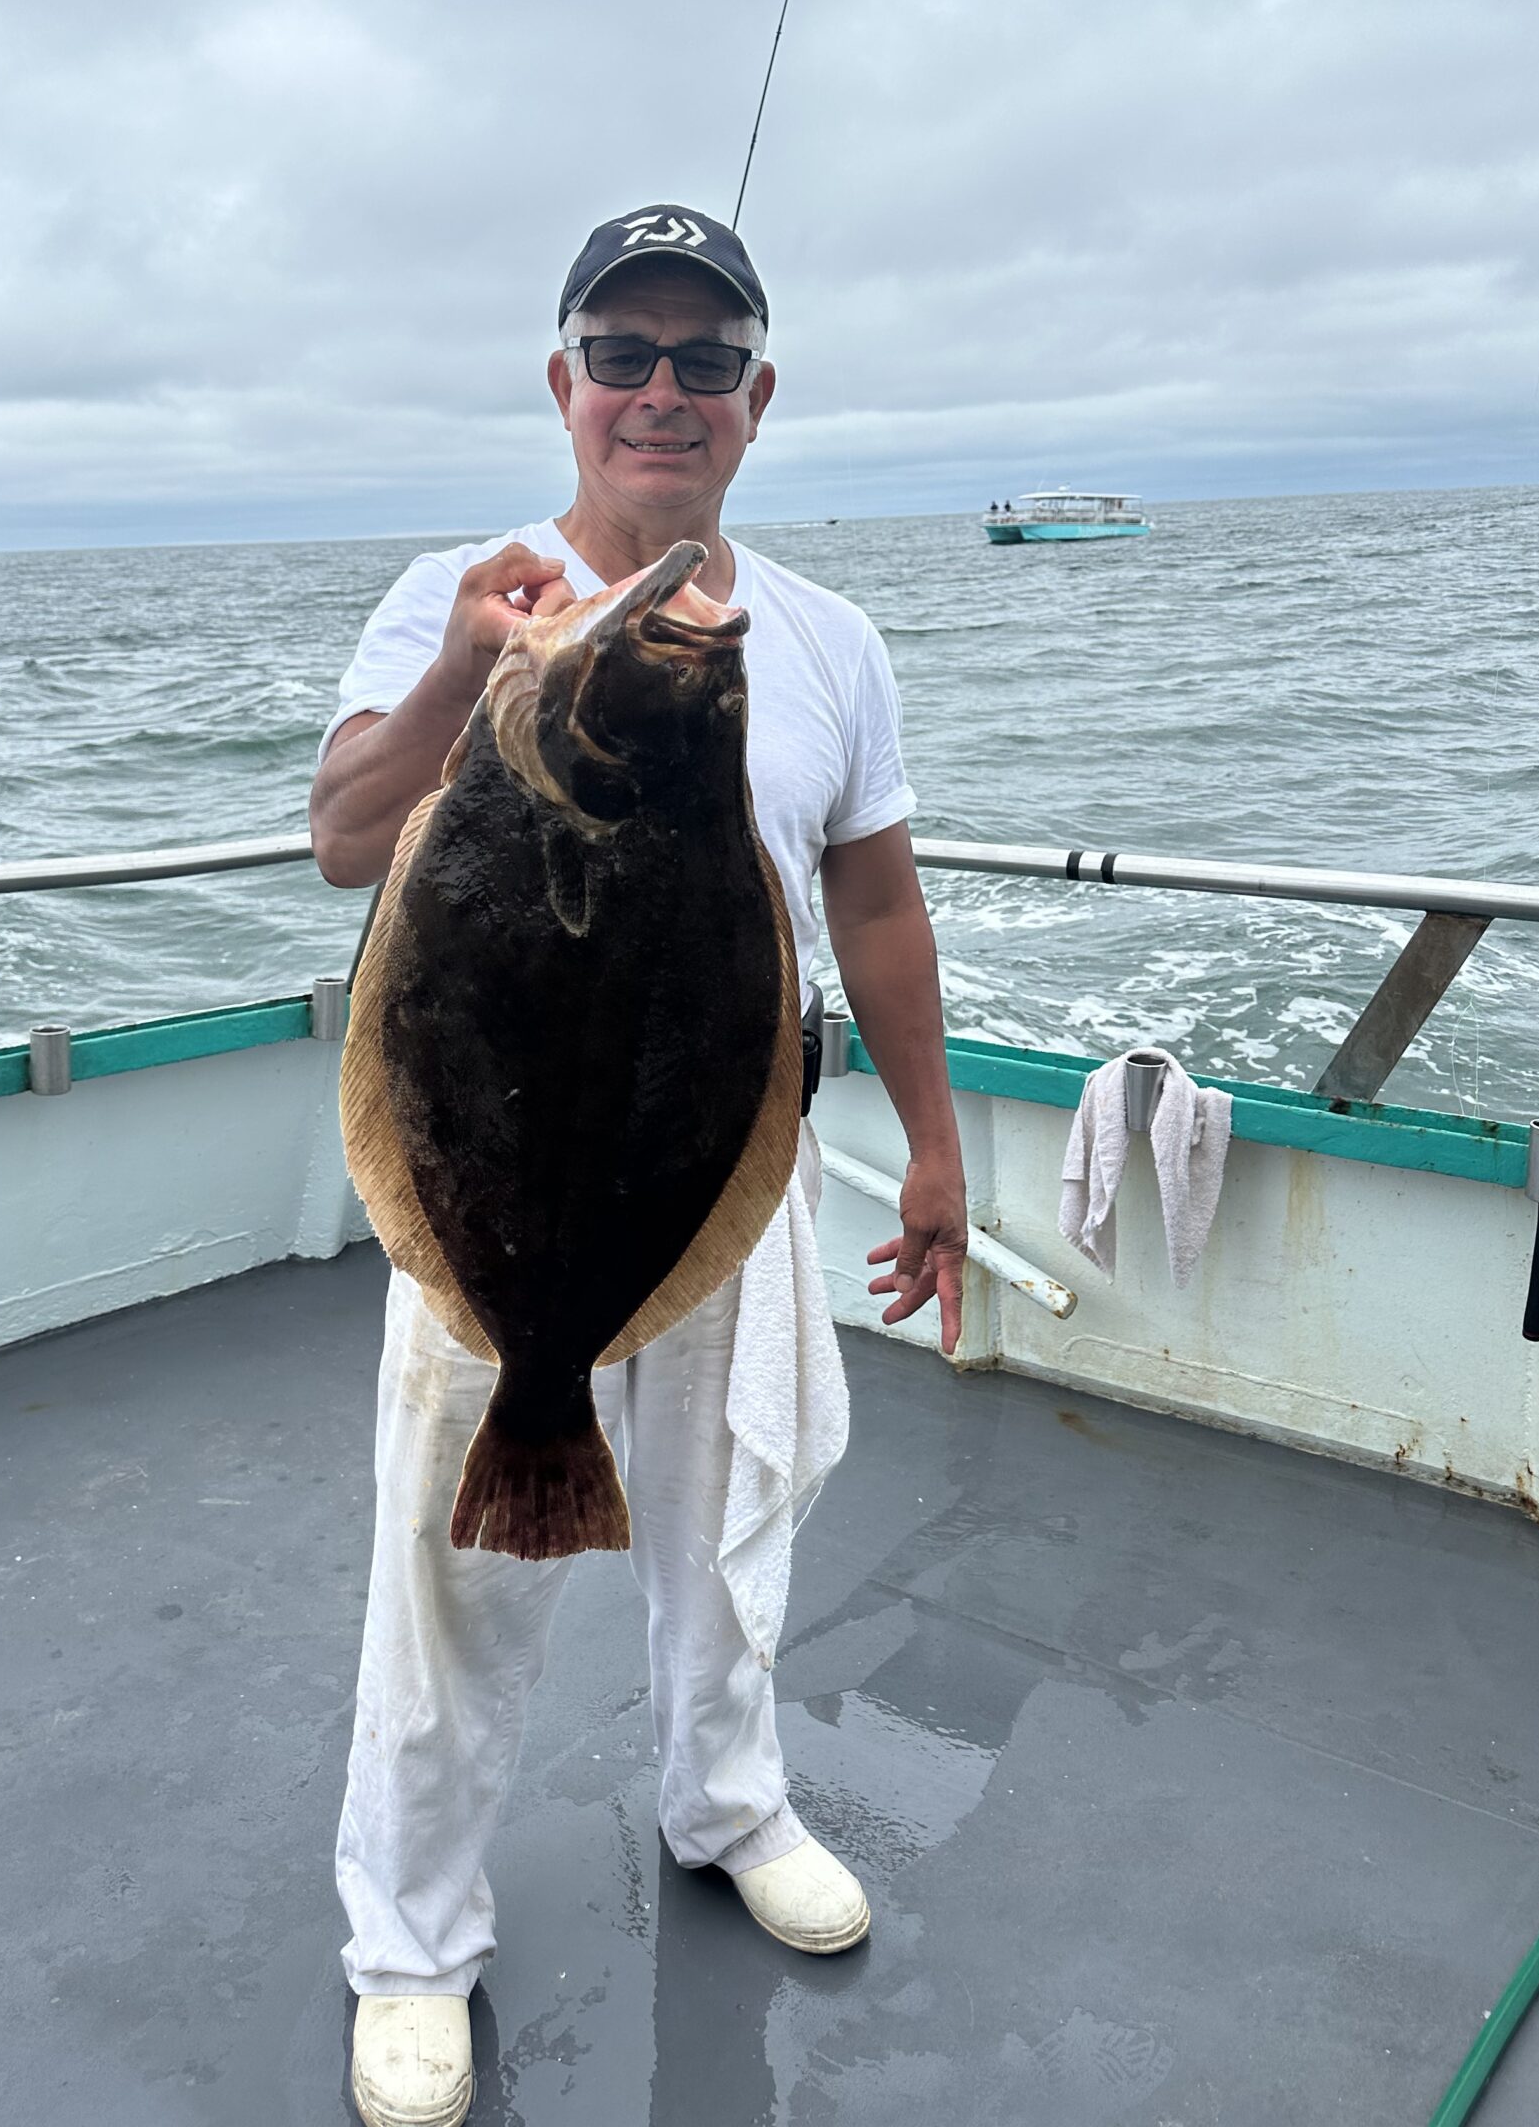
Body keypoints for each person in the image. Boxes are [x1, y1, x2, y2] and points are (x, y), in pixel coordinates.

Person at [310, 204, 968, 2127]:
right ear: (565, 383)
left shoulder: (819, 643)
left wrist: (931, 1143)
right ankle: (412, 1946)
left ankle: (729, 1799)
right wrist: (461, 673)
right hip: (491, 1187)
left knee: (739, 1525)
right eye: (625, 352)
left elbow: (875, 898)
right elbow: (350, 836)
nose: (660, 391)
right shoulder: (468, 596)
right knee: (443, 1587)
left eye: (705, 359)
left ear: (759, 401)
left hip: (716, 1175)